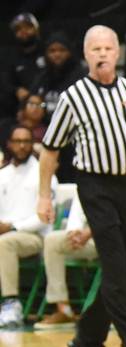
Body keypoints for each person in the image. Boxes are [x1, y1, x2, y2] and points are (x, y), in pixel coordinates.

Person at [36, 25, 126, 347]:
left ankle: (87, 339)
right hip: (94, 186)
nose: (102, 54)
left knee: (123, 270)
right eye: (95, 48)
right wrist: (43, 195)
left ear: (117, 53)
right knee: (114, 266)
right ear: (86, 54)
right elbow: (50, 151)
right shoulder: (73, 97)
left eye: (108, 48)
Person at [33, 194, 126, 330]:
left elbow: (120, 216)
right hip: (92, 238)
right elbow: (77, 211)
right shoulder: (85, 177)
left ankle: (120, 311)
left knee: (111, 243)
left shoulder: (122, 176)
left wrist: (90, 231)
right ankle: (64, 310)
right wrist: (75, 233)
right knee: (52, 241)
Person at [0, 125, 55, 328]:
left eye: (26, 141)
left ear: (33, 145)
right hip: (6, 234)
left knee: (5, 244)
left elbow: (45, 217)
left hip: (35, 237)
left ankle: (11, 304)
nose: (22, 146)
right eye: (18, 141)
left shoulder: (43, 174)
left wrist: (13, 227)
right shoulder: (3, 174)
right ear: (9, 144)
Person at [31, 32, 87, 119]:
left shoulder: (81, 76)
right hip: (45, 126)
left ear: (70, 52)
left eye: (62, 50)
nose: (57, 54)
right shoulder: (42, 77)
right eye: (52, 51)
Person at [0, 12, 45, 118]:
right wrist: (16, 90)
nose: (23, 31)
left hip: (47, 101)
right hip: (21, 107)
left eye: (28, 27)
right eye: (18, 29)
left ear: (36, 29)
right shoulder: (10, 57)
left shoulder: (47, 51)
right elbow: (5, 81)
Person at [0, 93, 48, 161]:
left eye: (40, 105)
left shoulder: (48, 132)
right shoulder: (7, 127)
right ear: (23, 107)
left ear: (44, 112)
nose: (35, 107)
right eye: (31, 104)